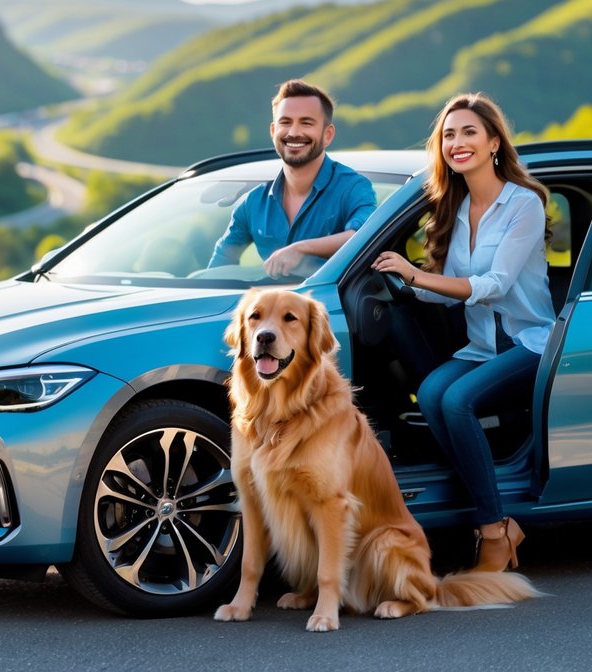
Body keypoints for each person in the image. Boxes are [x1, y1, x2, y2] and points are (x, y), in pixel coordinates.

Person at [373, 92, 554, 572]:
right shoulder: (452, 211)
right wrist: (401, 282)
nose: (457, 142)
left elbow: (493, 286)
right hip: (481, 347)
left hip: (530, 342)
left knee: (457, 401)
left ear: (494, 141)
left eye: (469, 132)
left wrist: (416, 276)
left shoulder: (525, 205)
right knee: (430, 394)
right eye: (448, 135)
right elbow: (446, 291)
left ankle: (493, 528)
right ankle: (498, 513)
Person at [209, 79, 377, 278]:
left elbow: (367, 236)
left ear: (328, 134)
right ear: (273, 131)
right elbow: (218, 266)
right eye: (285, 122)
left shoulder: (354, 188)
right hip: (268, 306)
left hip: (327, 306)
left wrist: (302, 249)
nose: (294, 132)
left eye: (306, 123)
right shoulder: (253, 203)